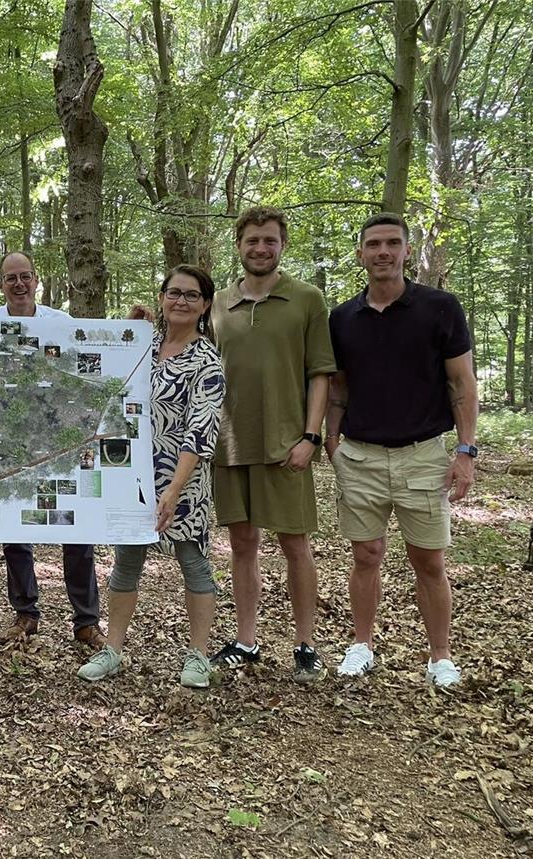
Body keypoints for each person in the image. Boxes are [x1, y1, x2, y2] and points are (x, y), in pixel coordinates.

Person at [326, 212, 477, 687]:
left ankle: (439, 656)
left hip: (423, 454)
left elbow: (462, 384)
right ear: (361, 254)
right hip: (361, 454)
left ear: (407, 251)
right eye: (373, 245)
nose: (383, 252)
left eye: (393, 243)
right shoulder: (343, 318)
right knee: (366, 555)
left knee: (428, 560)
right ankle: (361, 645)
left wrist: (466, 451)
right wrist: (331, 441)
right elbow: (338, 388)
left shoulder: (440, 308)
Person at [78, 265, 225, 686]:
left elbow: (201, 428)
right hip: (132, 475)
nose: (181, 301)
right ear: (162, 297)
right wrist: (126, 332)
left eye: (191, 295)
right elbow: (104, 381)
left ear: (206, 304)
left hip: (184, 479)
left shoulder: (206, 361)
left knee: (194, 563)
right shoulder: (146, 344)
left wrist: (175, 489)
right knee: (126, 563)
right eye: (174, 293)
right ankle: (113, 650)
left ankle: (198, 656)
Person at [208, 206, 336, 683]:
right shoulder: (219, 303)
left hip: (287, 445)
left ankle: (306, 644)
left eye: (270, 241)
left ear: (282, 246)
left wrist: (310, 436)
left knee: (295, 545)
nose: (260, 248)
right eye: (252, 241)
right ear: (238, 245)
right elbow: (189, 350)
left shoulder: (306, 299)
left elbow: (320, 372)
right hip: (230, 443)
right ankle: (246, 641)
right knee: (242, 544)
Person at [0, 251, 106, 649]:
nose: (19, 284)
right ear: (0, 284)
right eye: (10, 278)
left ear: (37, 281)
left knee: (78, 529)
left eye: (25, 276)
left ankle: (86, 621)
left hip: (60, 443)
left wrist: (136, 330)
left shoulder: (62, 324)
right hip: (8, 444)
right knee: (15, 531)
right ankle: (25, 613)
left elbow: (93, 361)